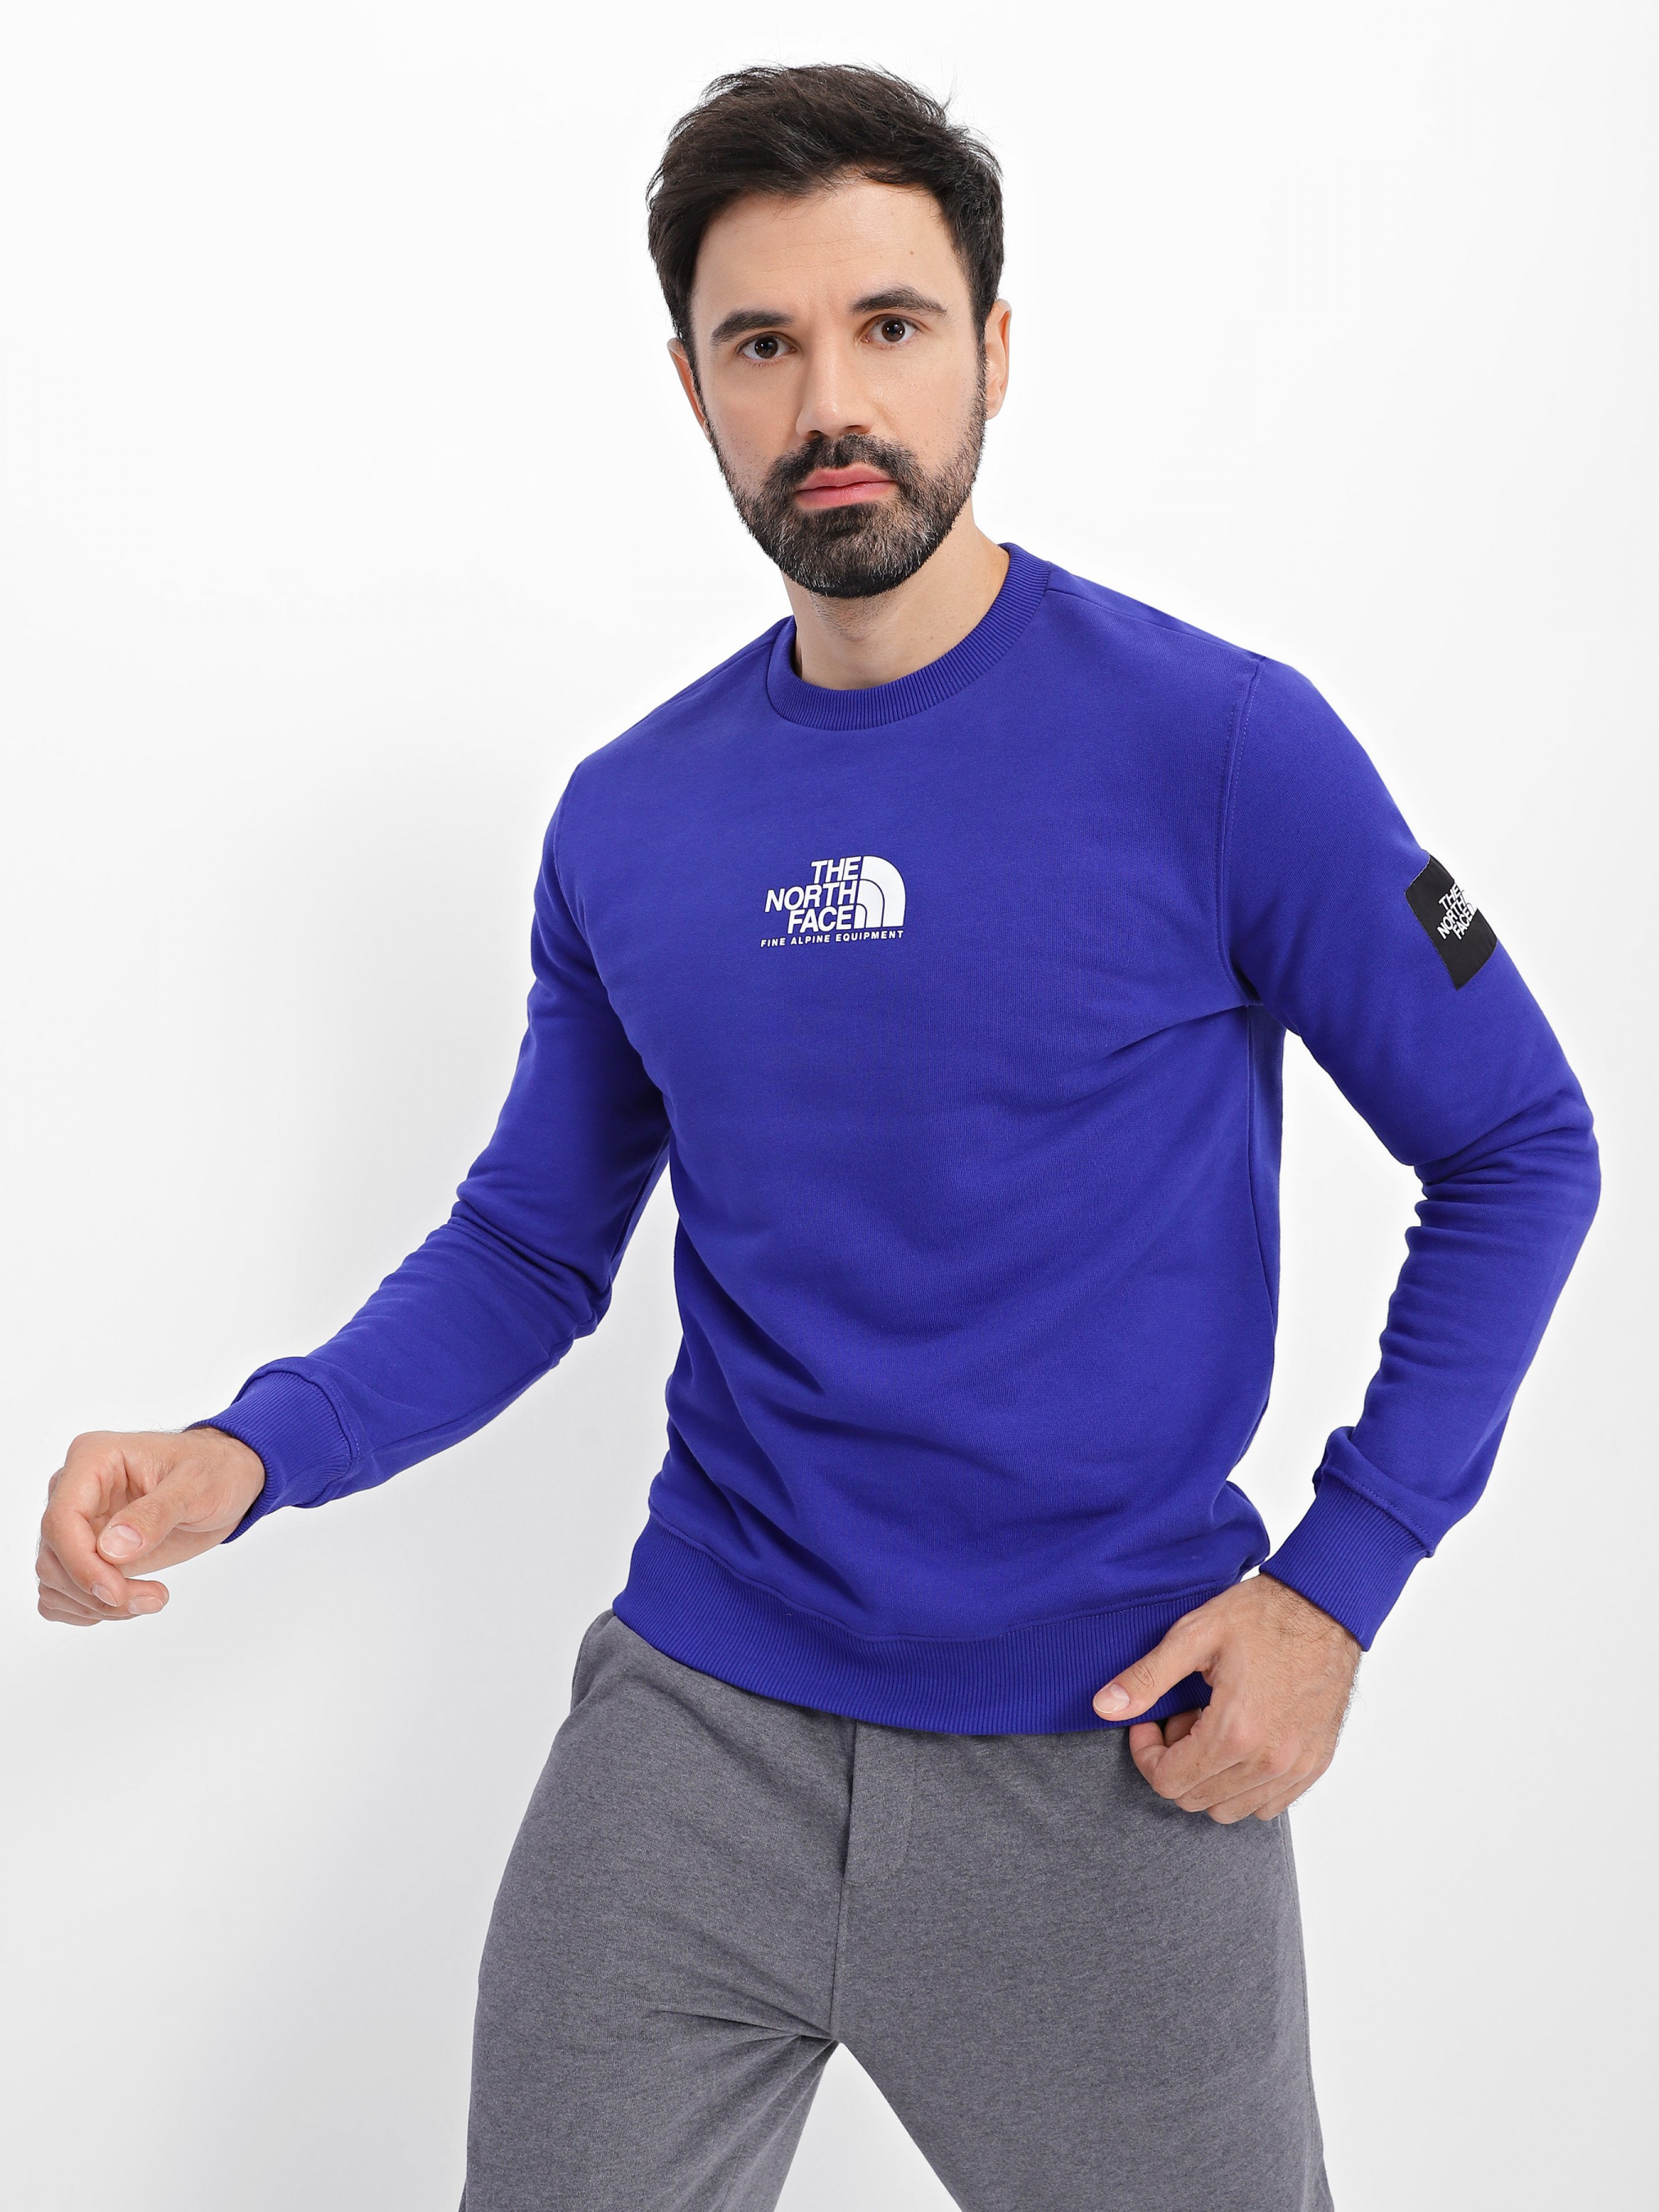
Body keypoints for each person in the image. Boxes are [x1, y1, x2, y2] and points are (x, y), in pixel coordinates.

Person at [35, 63, 1599, 2212]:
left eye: (890, 325)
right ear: (690, 385)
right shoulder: (633, 818)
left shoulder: (1225, 744)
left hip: (1110, 1750)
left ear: (994, 351)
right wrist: (249, 1450)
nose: (829, 401)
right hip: (696, 1742)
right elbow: (530, 1245)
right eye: (762, 343)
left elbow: (1516, 1141)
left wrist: (1339, 1584)